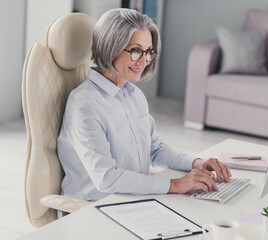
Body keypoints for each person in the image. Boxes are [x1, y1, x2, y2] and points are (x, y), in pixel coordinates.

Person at [57, 8, 231, 203]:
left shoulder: (134, 95)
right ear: (110, 47)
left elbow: (154, 148)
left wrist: (195, 163)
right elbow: (106, 178)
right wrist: (175, 185)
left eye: (149, 52)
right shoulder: (84, 104)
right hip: (94, 208)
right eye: (136, 50)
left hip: (132, 199)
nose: (145, 61)